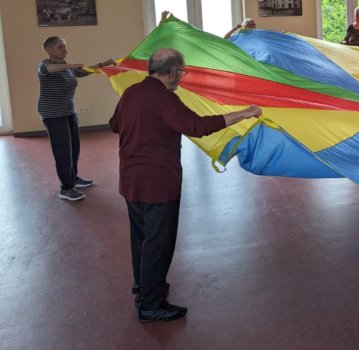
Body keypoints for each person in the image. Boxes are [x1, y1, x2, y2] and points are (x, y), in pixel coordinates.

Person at [109, 48, 261, 322]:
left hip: (131, 180)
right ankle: (151, 305)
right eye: (182, 72)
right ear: (171, 73)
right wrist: (245, 113)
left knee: (142, 237)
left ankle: (144, 286)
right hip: (159, 183)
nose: (182, 77)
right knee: (159, 243)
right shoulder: (164, 98)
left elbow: (114, 125)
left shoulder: (131, 92)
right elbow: (197, 126)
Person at [37, 36, 115, 201]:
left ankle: (73, 177)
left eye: (65, 46)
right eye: (60, 47)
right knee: (62, 150)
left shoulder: (66, 66)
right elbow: (48, 70)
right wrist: (71, 65)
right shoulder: (44, 65)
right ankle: (66, 188)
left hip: (68, 111)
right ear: (48, 50)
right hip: (53, 114)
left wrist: (103, 65)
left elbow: (83, 71)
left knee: (74, 147)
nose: (64, 49)